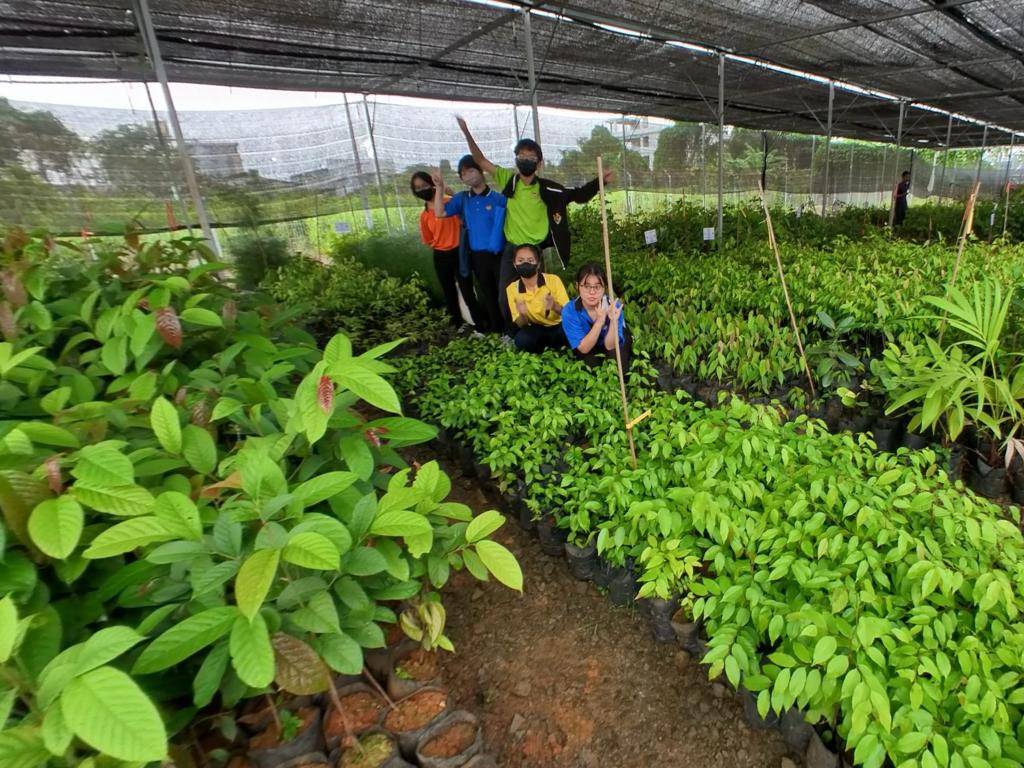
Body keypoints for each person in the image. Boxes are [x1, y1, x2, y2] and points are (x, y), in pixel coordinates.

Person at [456, 116, 613, 332]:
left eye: (531, 157)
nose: (526, 160)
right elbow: (481, 161)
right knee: (504, 297)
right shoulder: (508, 180)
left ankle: (540, 332)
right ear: (516, 160)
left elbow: (578, 195)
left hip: (535, 252)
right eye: (522, 156)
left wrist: (600, 181)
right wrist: (466, 132)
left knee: (540, 296)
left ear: (539, 163)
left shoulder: (548, 189)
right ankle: (512, 333)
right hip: (512, 250)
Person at [430, 157, 506, 333]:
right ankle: (496, 331)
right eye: (463, 174)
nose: (468, 176)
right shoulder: (462, 199)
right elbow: (439, 213)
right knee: (488, 294)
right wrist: (440, 187)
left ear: (481, 171)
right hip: (478, 257)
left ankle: (510, 330)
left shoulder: (498, 198)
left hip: (499, 255)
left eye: (471, 170)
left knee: (504, 294)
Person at [411, 170, 485, 331]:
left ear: (432, 184)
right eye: (418, 188)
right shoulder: (424, 216)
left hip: (459, 253)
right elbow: (428, 239)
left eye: (424, 185)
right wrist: (441, 243)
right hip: (440, 256)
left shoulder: (449, 203)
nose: (422, 189)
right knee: (449, 291)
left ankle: (480, 326)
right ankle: (458, 325)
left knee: (467, 290)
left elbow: (465, 220)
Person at [561, 262, 632, 369]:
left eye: (597, 287)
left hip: (611, 342)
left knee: (618, 361)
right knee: (591, 365)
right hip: (588, 345)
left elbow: (610, 345)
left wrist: (613, 321)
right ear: (577, 286)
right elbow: (584, 348)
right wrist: (599, 322)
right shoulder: (570, 311)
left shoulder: (614, 307)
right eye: (586, 286)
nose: (592, 292)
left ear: (605, 288)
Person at [506, 244, 569, 353]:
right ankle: (544, 350)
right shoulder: (512, 289)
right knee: (522, 339)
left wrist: (554, 306)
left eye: (530, 260)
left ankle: (559, 348)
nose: (525, 264)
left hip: (558, 326)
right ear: (514, 264)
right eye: (520, 260)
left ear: (538, 264)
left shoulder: (553, 280)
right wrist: (522, 314)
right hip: (536, 328)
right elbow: (521, 324)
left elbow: (568, 313)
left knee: (572, 329)